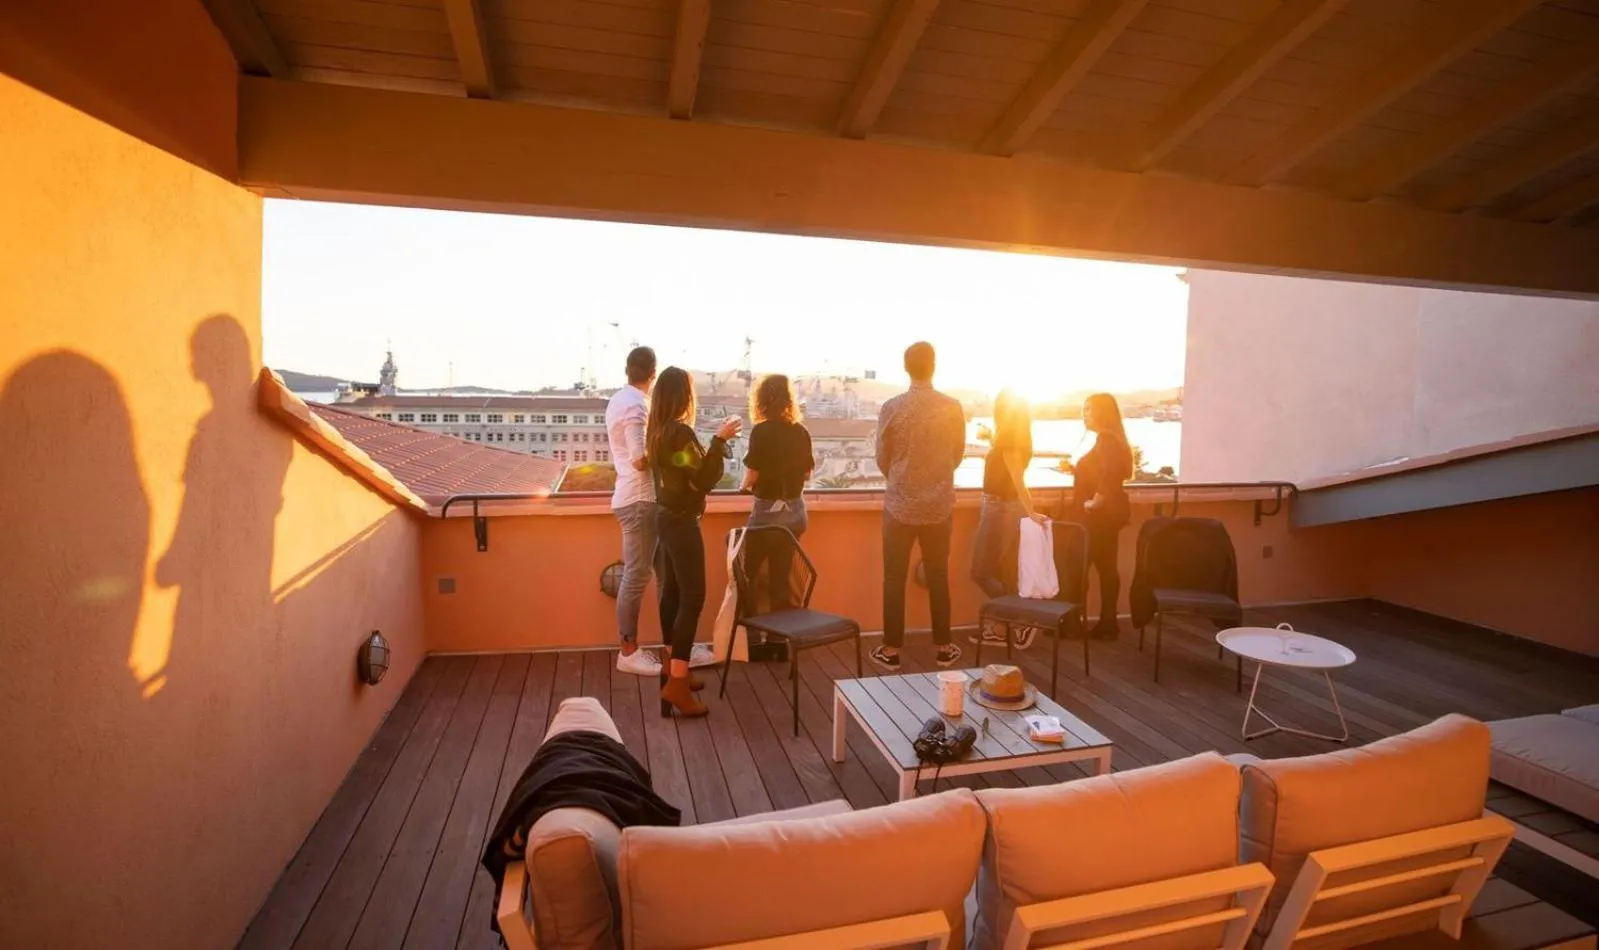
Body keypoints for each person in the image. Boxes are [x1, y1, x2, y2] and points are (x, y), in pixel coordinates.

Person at [647, 367, 741, 716]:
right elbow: (702, 478)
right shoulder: (680, 433)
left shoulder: (657, 431)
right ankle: (677, 683)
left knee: (671, 595)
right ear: (682, 396)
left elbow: (683, 474)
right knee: (693, 597)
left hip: (664, 517)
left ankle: (673, 672)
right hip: (681, 522)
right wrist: (719, 440)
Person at [872, 342, 967, 671]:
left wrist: (900, 479)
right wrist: (935, 480)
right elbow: (957, 454)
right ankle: (944, 647)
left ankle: (891, 650)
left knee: (893, 577)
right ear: (934, 366)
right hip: (939, 504)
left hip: (899, 504)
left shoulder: (892, 407)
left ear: (905, 367)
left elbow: (882, 456)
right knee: (938, 575)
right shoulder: (952, 407)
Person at [969, 389, 1049, 650]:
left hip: (999, 507)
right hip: (1000, 506)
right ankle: (1002, 627)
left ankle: (1023, 619)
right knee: (996, 571)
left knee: (980, 572)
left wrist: (1030, 510)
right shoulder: (1014, 435)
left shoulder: (1009, 437)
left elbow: (1016, 479)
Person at [606, 346, 664, 676]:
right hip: (640, 499)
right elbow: (639, 458)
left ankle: (674, 646)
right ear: (653, 374)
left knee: (656, 572)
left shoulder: (618, 400)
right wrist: (671, 454)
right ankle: (628, 651)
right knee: (636, 576)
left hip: (634, 498)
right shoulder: (636, 405)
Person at [741, 374, 814, 611]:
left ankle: (750, 639)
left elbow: (752, 476)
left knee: (747, 574)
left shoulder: (761, 432)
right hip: (794, 514)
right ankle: (779, 643)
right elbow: (806, 475)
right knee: (780, 577)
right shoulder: (801, 432)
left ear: (761, 400)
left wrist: (742, 487)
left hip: (767, 515)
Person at [1074, 392, 1133, 640]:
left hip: (1100, 517)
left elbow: (1110, 475)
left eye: (1088, 409)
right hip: (1110, 516)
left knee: (1080, 567)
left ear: (1101, 412)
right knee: (1106, 569)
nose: (1084, 414)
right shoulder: (1112, 439)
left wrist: (1094, 503)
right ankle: (1108, 623)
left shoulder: (1107, 439)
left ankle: (1075, 623)